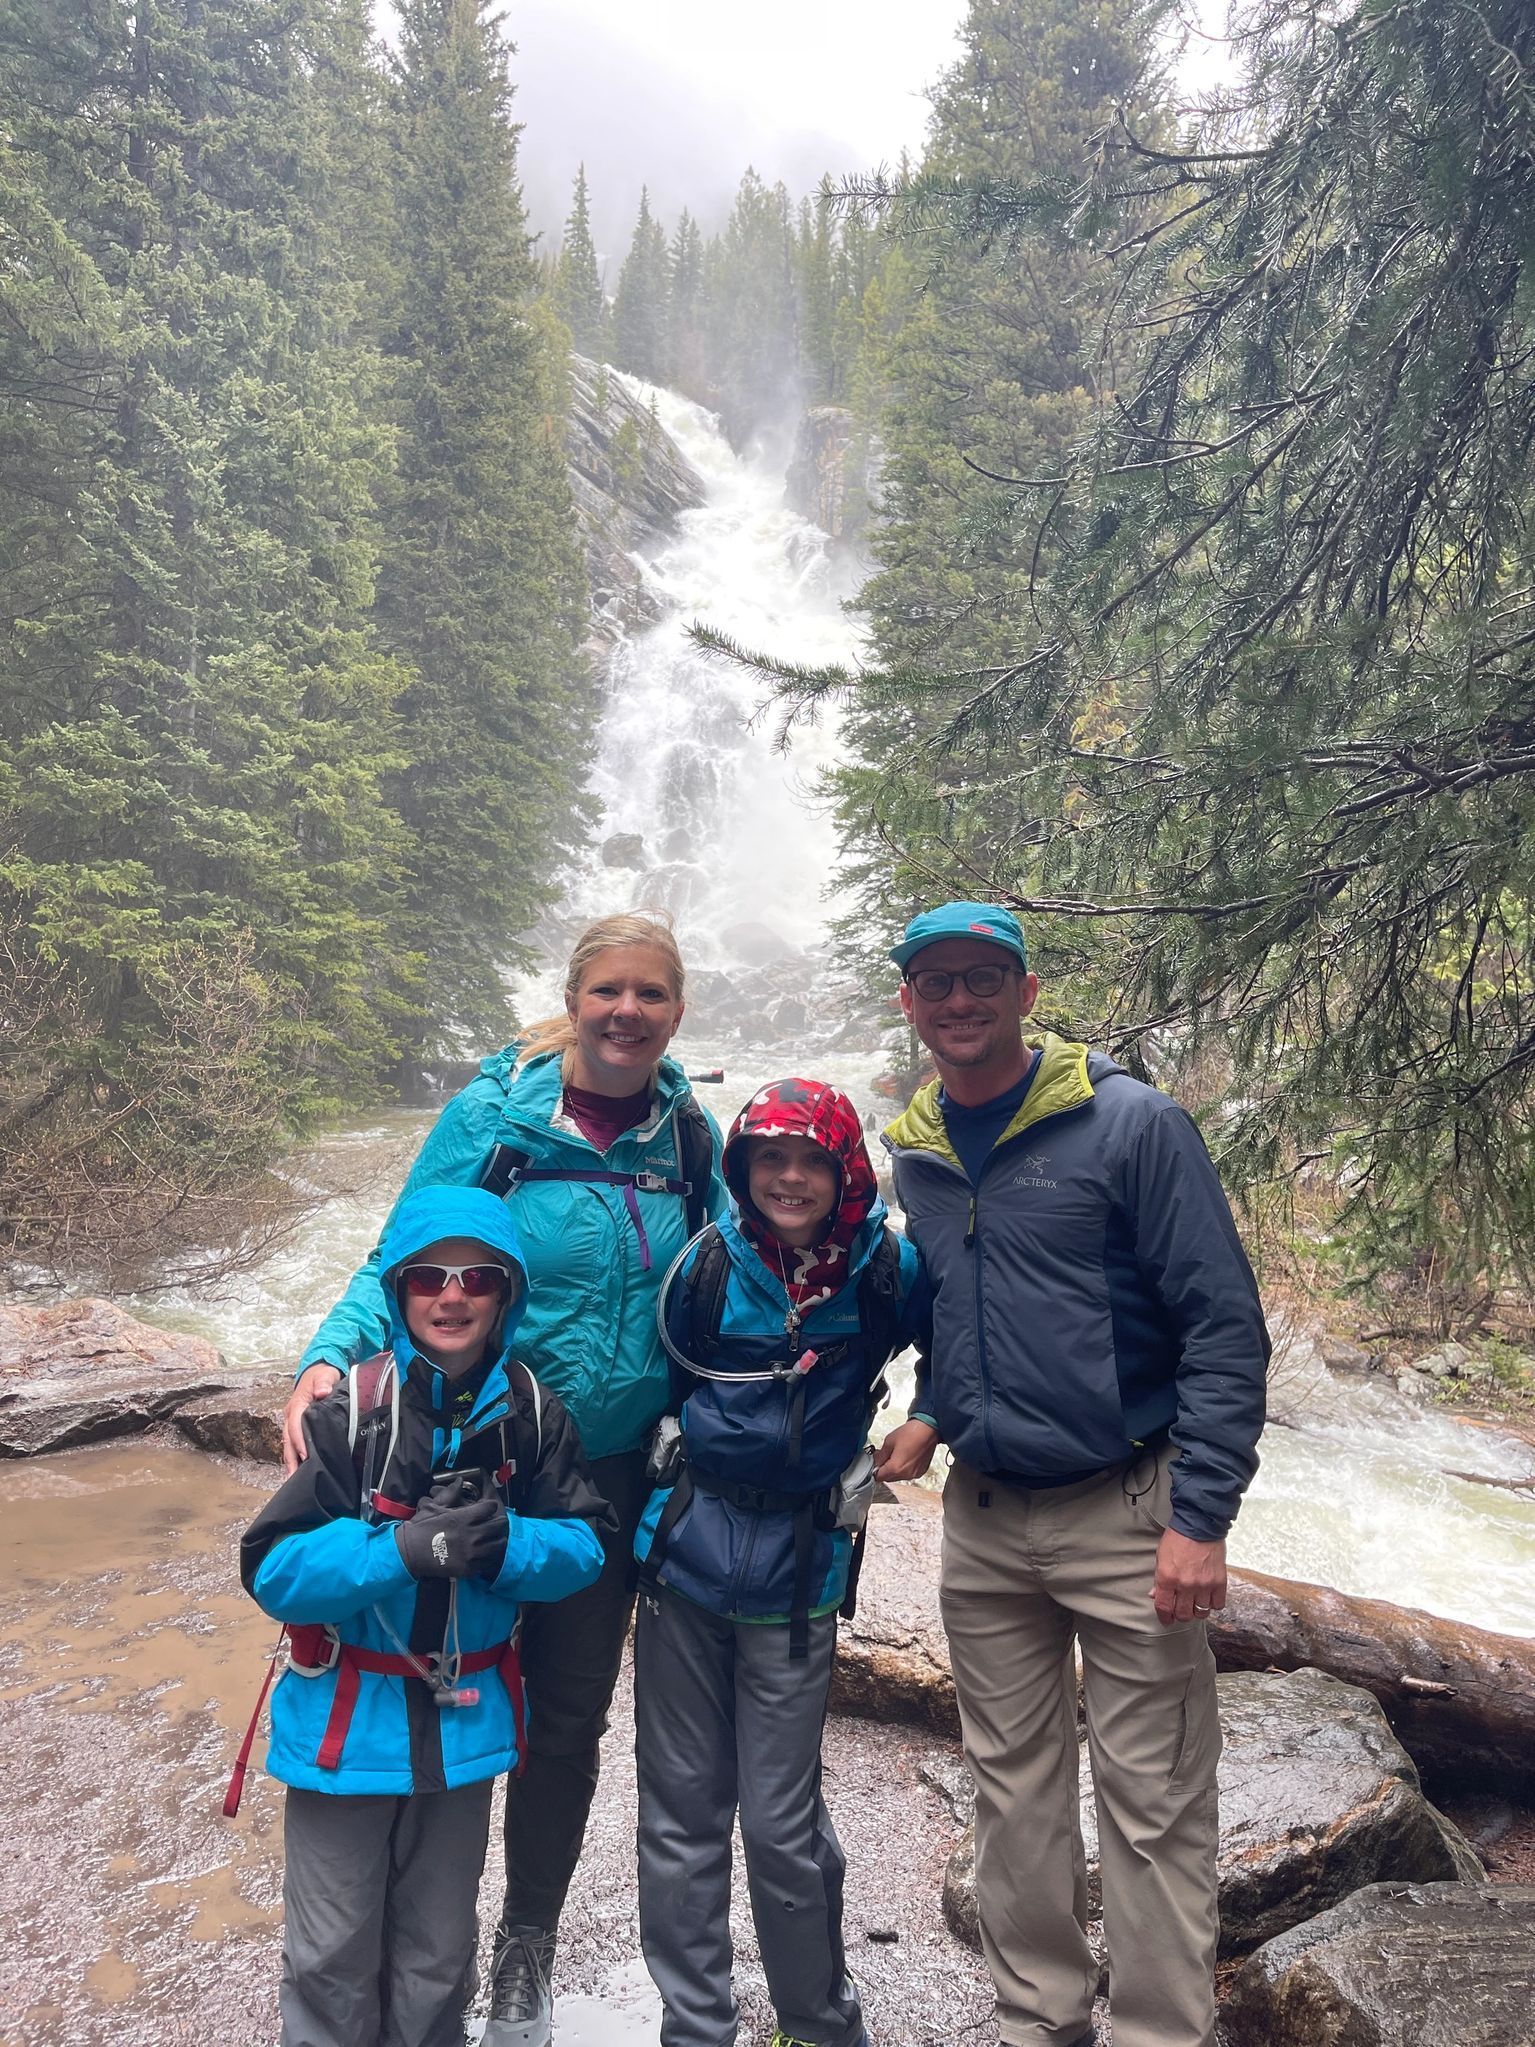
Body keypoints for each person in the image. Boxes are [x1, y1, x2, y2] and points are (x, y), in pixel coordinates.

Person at [280, 912, 727, 2047]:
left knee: (566, 1716)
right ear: (573, 998)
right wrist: (328, 1358)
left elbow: (735, 1273)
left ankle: (522, 1941)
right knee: (432, 1666)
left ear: (675, 1011)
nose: (626, 1011)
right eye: (607, 991)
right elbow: (402, 1250)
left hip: (609, 1469)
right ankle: (397, 1939)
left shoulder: (688, 1135)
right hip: (474, 1440)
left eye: (650, 994)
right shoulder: (497, 1114)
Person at [873, 902, 1269, 2047]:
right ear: (909, 1003)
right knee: (1012, 1793)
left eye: (980, 978)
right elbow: (963, 1304)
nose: (958, 1000)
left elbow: (1221, 1327)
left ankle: (1155, 2033)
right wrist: (932, 1410)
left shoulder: (1130, 1124)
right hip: (986, 1519)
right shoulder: (919, 1148)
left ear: (1025, 991)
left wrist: (1201, 1516)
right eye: (935, 982)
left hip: (1128, 1510)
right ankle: (1038, 2019)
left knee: (1151, 1809)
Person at [242, 1187, 613, 2047]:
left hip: (462, 1736)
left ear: (506, 1294)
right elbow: (273, 1568)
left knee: (438, 1950)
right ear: (399, 1292)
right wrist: (401, 1552)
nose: (453, 1295)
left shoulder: (531, 1413)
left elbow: (588, 1546)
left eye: (477, 1276)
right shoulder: (351, 1415)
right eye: (429, 1278)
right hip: (346, 1735)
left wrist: (505, 1544)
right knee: (330, 1950)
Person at [634, 1078, 931, 2047]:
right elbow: (657, 1387)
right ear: (742, 1167)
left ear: (847, 1171)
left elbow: (957, 1345)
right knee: (680, 1811)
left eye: (812, 1159)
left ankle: (815, 2023)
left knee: (778, 1821)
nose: (790, 1178)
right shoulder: (705, 1265)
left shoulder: (886, 1267)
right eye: (770, 1158)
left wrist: (930, 1418)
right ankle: (696, 2025)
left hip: (798, 1579)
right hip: (682, 1566)